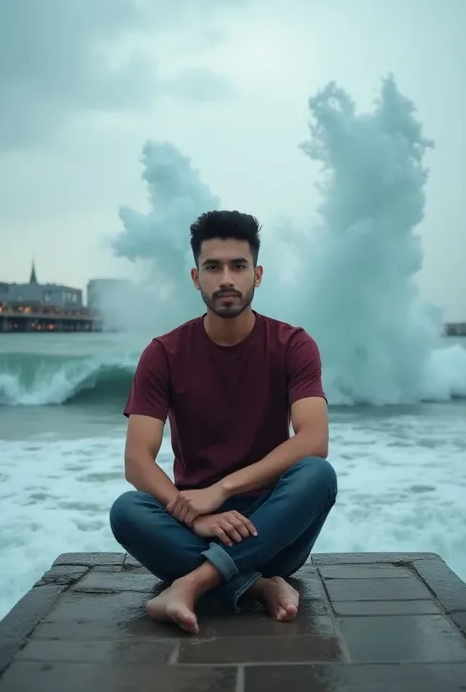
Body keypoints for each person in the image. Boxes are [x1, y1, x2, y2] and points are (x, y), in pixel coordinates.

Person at [109, 210, 337, 635]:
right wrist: (194, 516)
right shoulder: (164, 353)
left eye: (239, 266)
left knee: (317, 474)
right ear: (196, 277)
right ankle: (257, 587)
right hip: (195, 524)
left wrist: (222, 490)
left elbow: (314, 440)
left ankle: (195, 582)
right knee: (127, 511)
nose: (226, 278)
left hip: (273, 526)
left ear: (258, 274)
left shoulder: (293, 345)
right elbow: (136, 462)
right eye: (213, 267)